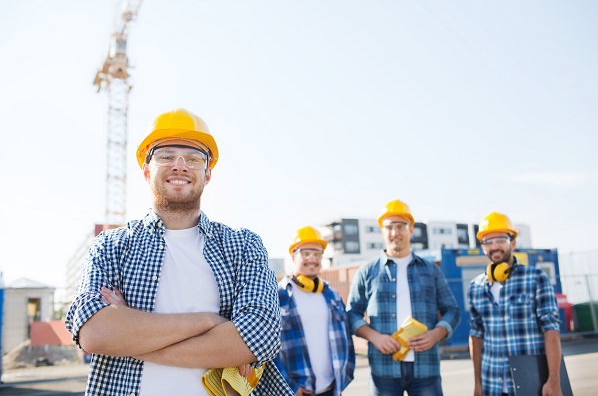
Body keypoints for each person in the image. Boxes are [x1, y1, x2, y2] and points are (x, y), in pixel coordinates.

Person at [65, 108, 293, 396]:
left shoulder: (244, 245)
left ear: (207, 174)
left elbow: (258, 339)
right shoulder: (111, 246)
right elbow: (95, 334)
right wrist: (210, 321)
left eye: (194, 158)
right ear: (147, 170)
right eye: (166, 156)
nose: (180, 165)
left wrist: (130, 337)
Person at [346, 199, 461, 396]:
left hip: (426, 367)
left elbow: (452, 310)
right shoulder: (367, 271)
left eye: (401, 226)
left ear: (411, 229)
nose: (395, 233)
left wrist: (436, 334)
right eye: (389, 227)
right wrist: (375, 337)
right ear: (382, 231)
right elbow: (351, 314)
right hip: (384, 369)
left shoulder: (431, 271)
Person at [468, 212, 562, 396]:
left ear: (513, 243)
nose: (494, 246)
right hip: (491, 385)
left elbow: (551, 330)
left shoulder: (535, 278)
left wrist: (554, 380)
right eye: (488, 241)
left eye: (500, 239)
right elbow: (476, 336)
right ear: (483, 247)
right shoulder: (475, 287)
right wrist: (477, 383)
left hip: (531, 384)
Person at [276, 226, 355, 396]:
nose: (312, 259)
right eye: (305, 253)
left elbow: (346, 338)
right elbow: (266, 350)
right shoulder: (277, 296)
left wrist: (344, 376)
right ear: (292, 256)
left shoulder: (332, 295)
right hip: (295, 392)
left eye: (317, 253)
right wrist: (289, 386)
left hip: (331, 389)